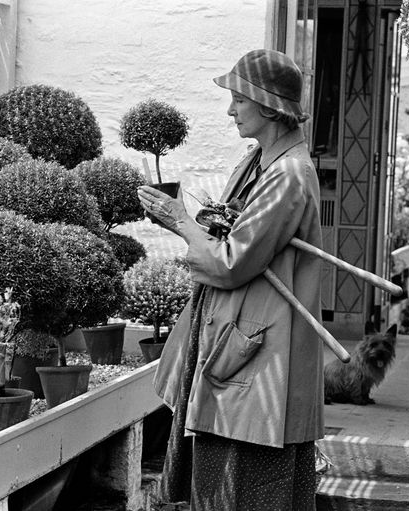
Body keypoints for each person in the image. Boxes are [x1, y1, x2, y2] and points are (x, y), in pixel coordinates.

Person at [137, 49, 324, 510]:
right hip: (233, 336)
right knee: (215, 480)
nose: (230, 110)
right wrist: (190, 222)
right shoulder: (257, 160)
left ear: (267, 106)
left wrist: (181, 222)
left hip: (262, 354)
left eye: (238, 100)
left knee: (248, 484)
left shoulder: (289, 175)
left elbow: (230, 264)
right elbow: (230, 237)